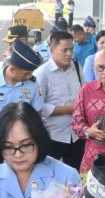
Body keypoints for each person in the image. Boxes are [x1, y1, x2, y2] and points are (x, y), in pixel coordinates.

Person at [35, 30, 85, 170]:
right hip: (53, 136)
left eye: (71, 49)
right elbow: (38, 107)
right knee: (48, 175)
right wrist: (69, 108)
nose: (70, 54)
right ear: (52, 50)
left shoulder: (76, 66)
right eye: (65, 50)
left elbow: (83, 93)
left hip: (77, 134)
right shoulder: (42, 73)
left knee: (75, 176)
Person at [0, 38, 43, 114]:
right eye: (26, 73)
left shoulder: (32, 84)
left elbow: (37, 114)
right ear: (12, 70)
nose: (29, 76)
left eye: (31, 73)